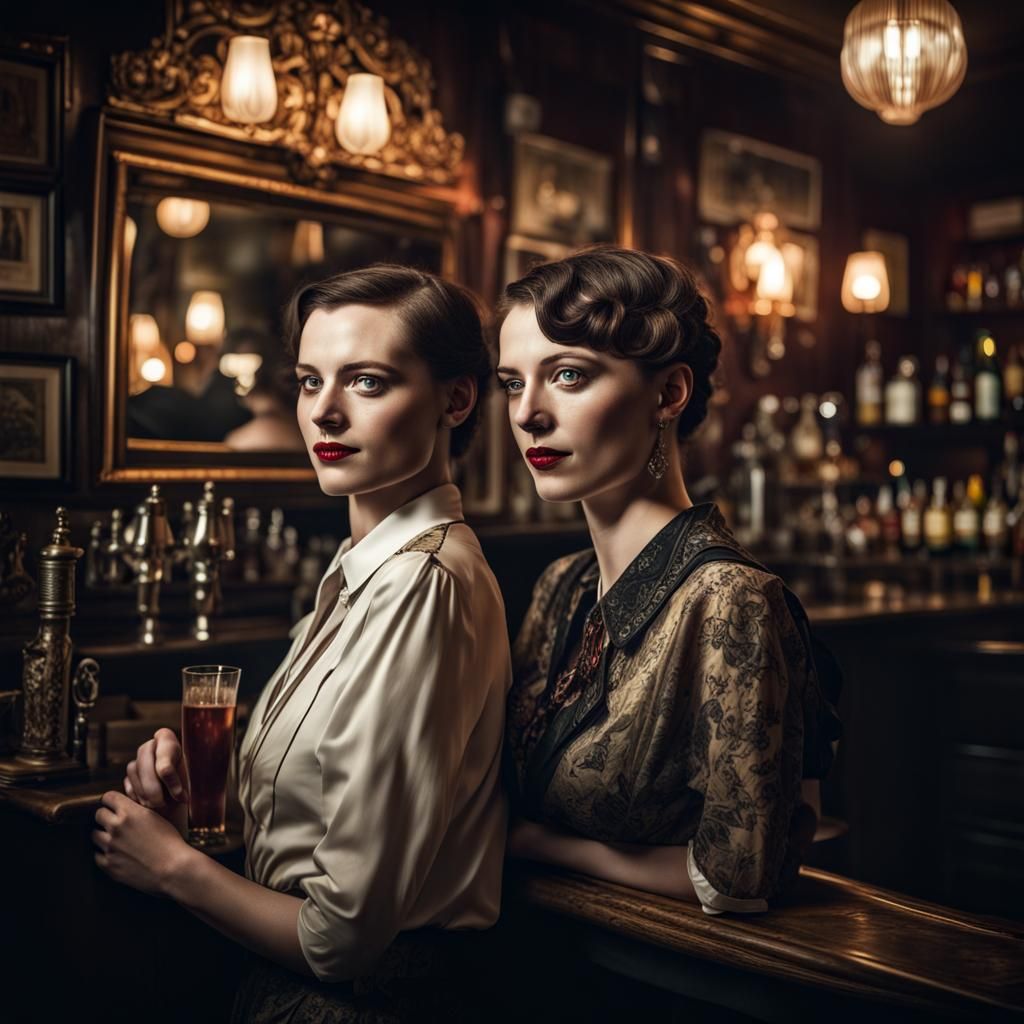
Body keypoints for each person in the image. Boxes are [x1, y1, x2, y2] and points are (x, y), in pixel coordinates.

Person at [93, 265, 511, 1019]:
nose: (325, 412)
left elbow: (338, 939)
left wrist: (171, 868)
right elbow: (312, 822)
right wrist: (194, 789)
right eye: (310, 381)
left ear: (456, 399)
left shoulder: (423, 586)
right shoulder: (364, 576)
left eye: (368, 382)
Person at [498, 245, 836, 916]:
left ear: (669, 392)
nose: (527, 412)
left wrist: (537, 845)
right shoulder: (561, 585)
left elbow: (740, 875)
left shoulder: (732, 601)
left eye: (567, 375)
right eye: (512, 381)